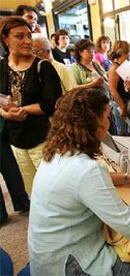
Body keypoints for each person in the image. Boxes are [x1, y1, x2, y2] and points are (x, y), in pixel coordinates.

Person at [28, 88, 130, 275]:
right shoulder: (87, 170)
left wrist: (126, 179)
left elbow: (77, 184)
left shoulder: (55, 153)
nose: (108, 122)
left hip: (48, 259)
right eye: (107, 117)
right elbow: (129, 222)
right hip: (70, 266)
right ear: (93, 123)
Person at [0, 16, 62, 195]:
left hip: (42, 139)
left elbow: (53, 104)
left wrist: (22, 110)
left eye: (29, 35)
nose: (27, 41)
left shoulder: (43, 67)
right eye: (19, 36)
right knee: (32, 191)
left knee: (52, 190)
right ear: (5, 39)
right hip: (16, 141)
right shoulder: (2, 67)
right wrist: (6, 115)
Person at [107, 40, 130, 136]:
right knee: (123, 132)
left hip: (128, 102)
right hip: (120, 103)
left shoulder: (124, 66)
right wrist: (122, 106)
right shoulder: (114, 68)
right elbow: (112, 90)